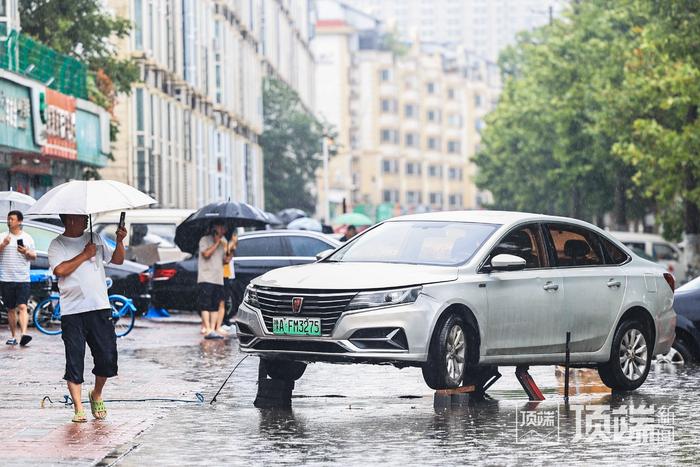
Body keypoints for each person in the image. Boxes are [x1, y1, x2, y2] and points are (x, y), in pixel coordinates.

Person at [48, 214, 127, 423]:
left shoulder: (95, 237)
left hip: (100, 307)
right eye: (80, 216)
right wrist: (84, 255)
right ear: (70, 219)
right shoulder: (57, 244)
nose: (85, 218)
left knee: (108, 357)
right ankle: (78, 407)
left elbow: (118, 259)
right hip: (72, 311)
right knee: (74, 359)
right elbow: (60, 270)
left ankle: (97, 393)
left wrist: (120, 241)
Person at [0, 210, 37, 347]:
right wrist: (3, 244)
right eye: (8, 219)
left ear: (20, 221)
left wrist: (26, 251)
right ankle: (13, 336)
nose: (9, 221)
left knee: (22, 306)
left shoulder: (28, 238)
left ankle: (24, 334)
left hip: (22, 278)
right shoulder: (3, 236)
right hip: (6, 278)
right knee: (10, 308)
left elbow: (34, 256)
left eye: (12, 219)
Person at [198, 221, 232, 339]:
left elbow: (224, 261)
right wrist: (216, 243)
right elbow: (206, 254)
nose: (222, 229)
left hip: (218, 277)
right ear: (214, 228)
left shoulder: (224, 242)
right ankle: (207, 328)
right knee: (206, 304)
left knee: (215, 304)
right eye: (220, 227)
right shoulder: (204, 240)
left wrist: (230, 253)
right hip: (206, 277)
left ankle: (213, 328)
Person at [221, 232, 238, 332]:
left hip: (228, 273)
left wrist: (233, 245)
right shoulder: (222, 240)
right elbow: (225, 253)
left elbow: (229, 256)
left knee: (226, 298)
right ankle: (223, 321)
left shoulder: (227, 241)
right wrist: (232, 243)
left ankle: (226, 320)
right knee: (222, 299)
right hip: (222, 274)